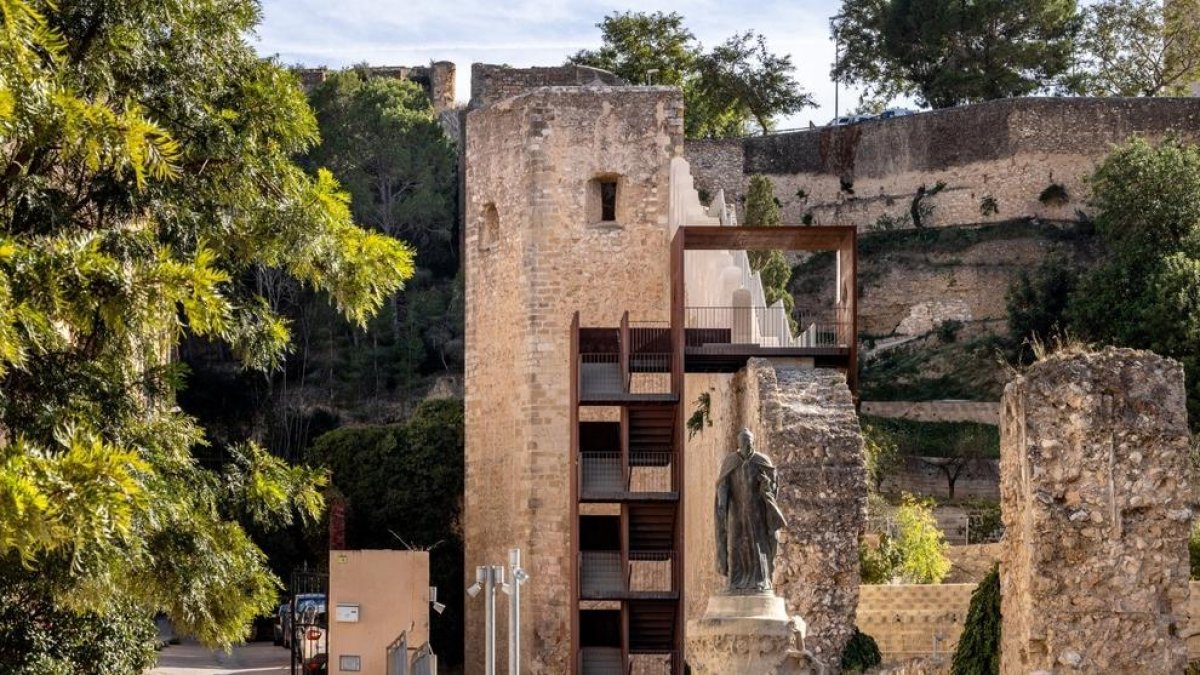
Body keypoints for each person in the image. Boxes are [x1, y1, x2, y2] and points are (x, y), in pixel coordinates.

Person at [715, 427, 787, 593]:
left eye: (748, 442)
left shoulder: (762, 460)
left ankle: (760, 581)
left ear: (753, 442)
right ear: (738, 444)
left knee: (758, 545)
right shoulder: (730, 461)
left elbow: (773, 486)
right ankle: (735, 582)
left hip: (756, 511)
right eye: (743, 442)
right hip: (736, 510)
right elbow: (722, 484)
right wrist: (722, 497)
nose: (746, 445)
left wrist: (766, 484)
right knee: (736, 544)